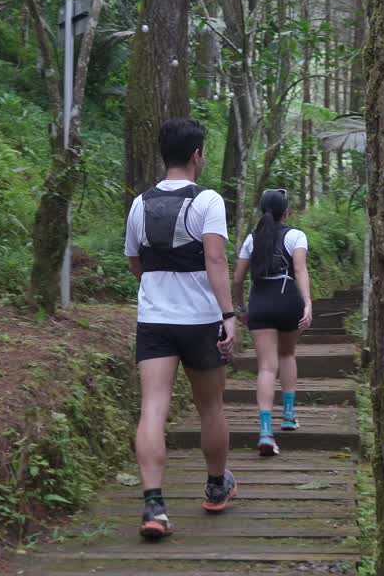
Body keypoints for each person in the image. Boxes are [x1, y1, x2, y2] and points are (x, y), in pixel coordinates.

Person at [123, 117, 239, 540]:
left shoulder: (140, 203)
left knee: (153, 407)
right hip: (200, 320)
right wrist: (228, 315)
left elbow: (135, 261)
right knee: (211, 407)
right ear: (196, 155)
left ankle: (154, 505)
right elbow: (215, 260)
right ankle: (215, 486)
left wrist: (158, 289)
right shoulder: (208, 201)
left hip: (154, 321)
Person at [232, 188, 312, 457]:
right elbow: (300, 270)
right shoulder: (296, 236)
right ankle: (288, 416)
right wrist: (308, 303)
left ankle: (265, 431)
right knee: (288, 354)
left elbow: (237, 279)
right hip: (288, 299)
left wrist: (241, 307)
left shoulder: (252, 240)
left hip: (261, 304)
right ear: (286, 212)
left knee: (266, 367)